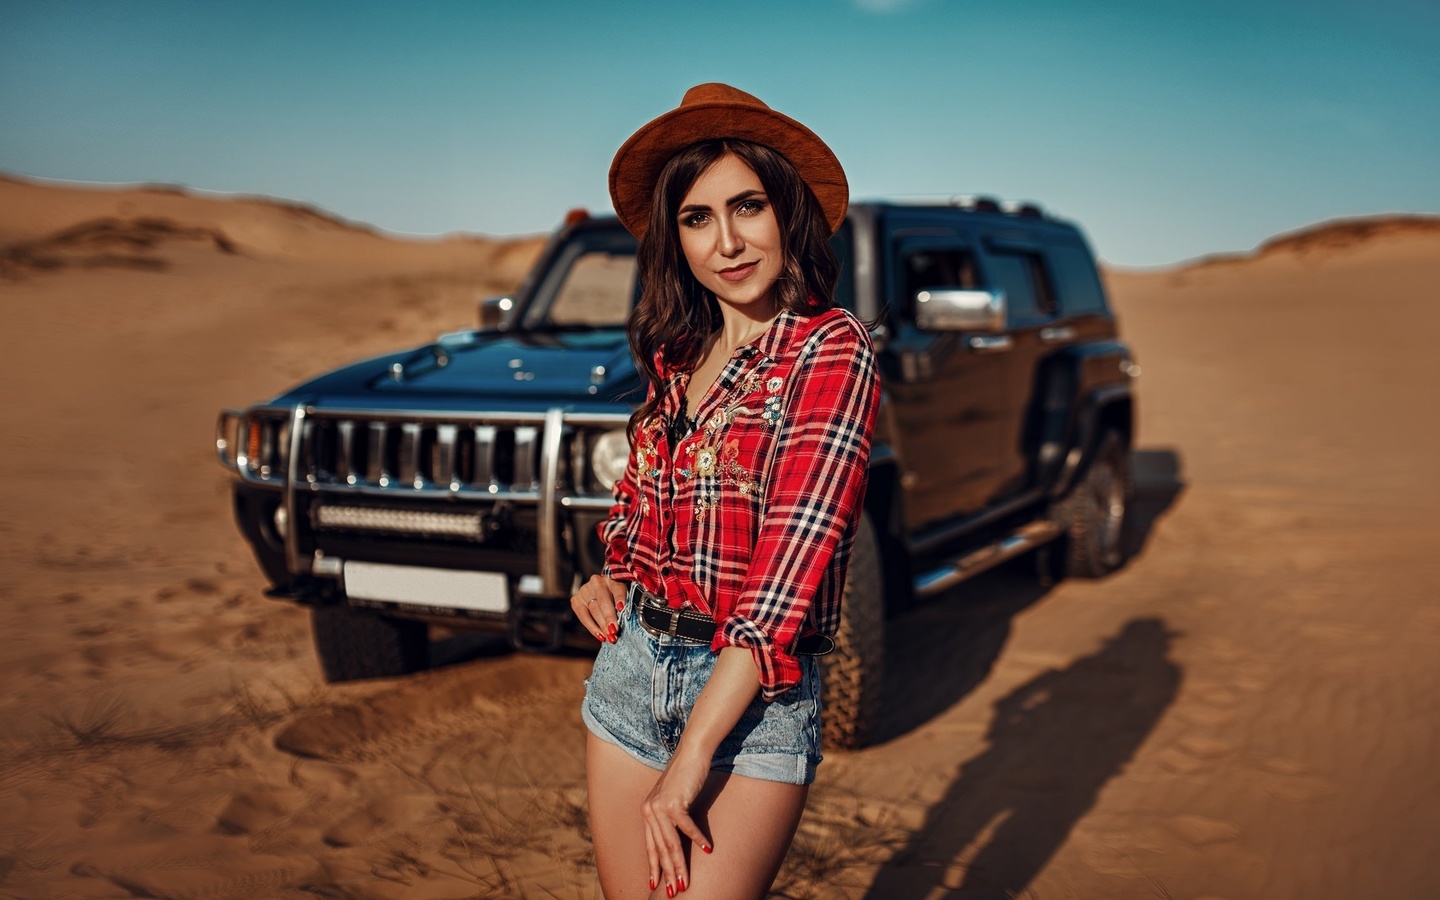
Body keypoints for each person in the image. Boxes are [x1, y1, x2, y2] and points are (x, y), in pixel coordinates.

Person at [570, 83, 881, 899]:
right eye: (697, 218)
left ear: (787, 212)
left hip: (753, 705)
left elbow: (785, 581)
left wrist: (691, 759)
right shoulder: (676, 353)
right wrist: (611, 578)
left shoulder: (831, 351)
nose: (728, 242)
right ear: (675, 238)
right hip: (629, 672)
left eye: (748, 207)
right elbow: (639, 513)